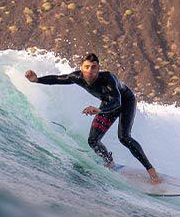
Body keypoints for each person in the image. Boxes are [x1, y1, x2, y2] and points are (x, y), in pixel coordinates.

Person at [25, 53, 161, 184]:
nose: (90, 70)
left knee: (124, 137)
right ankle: (109, 162)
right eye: (87, 67)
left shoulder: (108, 78)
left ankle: (151, 170)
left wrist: (99, 110)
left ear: (98, 68)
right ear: (81, 68)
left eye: (94, 67)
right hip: (107, 104)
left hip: (125, 101)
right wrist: (37, 80)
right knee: (93, 141)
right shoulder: (77, 77)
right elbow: (57, 79)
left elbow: (117, 102)